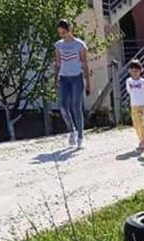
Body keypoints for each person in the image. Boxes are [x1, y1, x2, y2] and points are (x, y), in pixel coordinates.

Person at [53, 19, 90, 149]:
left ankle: (80, 136)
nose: (62, 35)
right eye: (60, 33)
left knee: (76, 107)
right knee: (63, 106)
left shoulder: (79, 45)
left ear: (69, 30)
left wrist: (88, 82)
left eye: (63, 32)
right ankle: (71, 130)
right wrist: (55, 79)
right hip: (64, 78)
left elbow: (85, 64)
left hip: (76, 78)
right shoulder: (58, 45)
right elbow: (57, 64)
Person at [125, 60, 144, 153]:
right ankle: (141, 140)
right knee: (136, 124)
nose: (135, 72)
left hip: (142, 104)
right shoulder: (128, 81)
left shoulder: (143, 82)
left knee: (140, 121)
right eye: (133, 70)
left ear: (140, 70)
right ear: (130, 71)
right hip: (133, 104)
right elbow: (129, 91)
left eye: (136, 70)